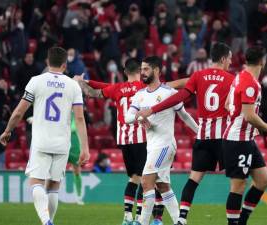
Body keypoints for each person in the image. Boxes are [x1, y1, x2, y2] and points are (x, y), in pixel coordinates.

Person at [76, 58, 189, 225]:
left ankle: (128, 217)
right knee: (153, 179)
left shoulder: (117, 88)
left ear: (124, 72)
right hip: (144, 138)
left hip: (124, 139)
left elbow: (94, 92)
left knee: (135, 178)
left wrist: (83, 82)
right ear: (140, 71)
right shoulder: (145, 87)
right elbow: (171, 85)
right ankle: (151, 218)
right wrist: (193, 81)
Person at [136, 42, 234, 225]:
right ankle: (232, 221)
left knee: (193, 180)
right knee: (236, 183)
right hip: (223, 137)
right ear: (223, 59)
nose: (230, 61)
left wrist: (155, 105)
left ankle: (180, 219)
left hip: (203, 137)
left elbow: (181, 94)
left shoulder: (198, 75)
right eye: (229, 58)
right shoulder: (231, 79)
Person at [0, 47, 90, 225]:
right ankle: (49, 220)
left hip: (41, 141)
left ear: (48, 62)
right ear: (65, 65)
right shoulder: (73, 86)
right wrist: (85, 148)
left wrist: (8, 130)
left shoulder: (36, 81)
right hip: (63, 144)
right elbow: (79, 118)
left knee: (36, 182)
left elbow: (19, 112)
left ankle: (45, 220)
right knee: (54, 186)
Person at [124, 56, 198, 225]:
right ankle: (180, 221)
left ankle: (141, 222)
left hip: (165, 145)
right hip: (152, 146)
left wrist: (200, 132)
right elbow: (127, 117)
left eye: (146, 69)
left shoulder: (168, 93)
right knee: (163, 186)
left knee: (145, 181)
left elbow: (185, 117)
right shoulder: (140, 95)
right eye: (141, 69)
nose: (142, 73)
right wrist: (140, 117)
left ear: (156, 70)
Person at [222, 46, 267, 225]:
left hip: (246, 139)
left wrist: (242, 120)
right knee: (238, 186)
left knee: (263, 181)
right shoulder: (250, 84)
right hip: (237, 141)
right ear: (262, 61)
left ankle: (242, 221)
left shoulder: (240, 76)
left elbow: (227, 104)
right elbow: (249, 115)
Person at [68, 113, 84, 205]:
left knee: (77, 170)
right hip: (62, 142)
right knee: (55, 169)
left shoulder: (76, 114)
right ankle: (49, 193)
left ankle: (78, 196)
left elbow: (74, 127)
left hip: (74, 144)